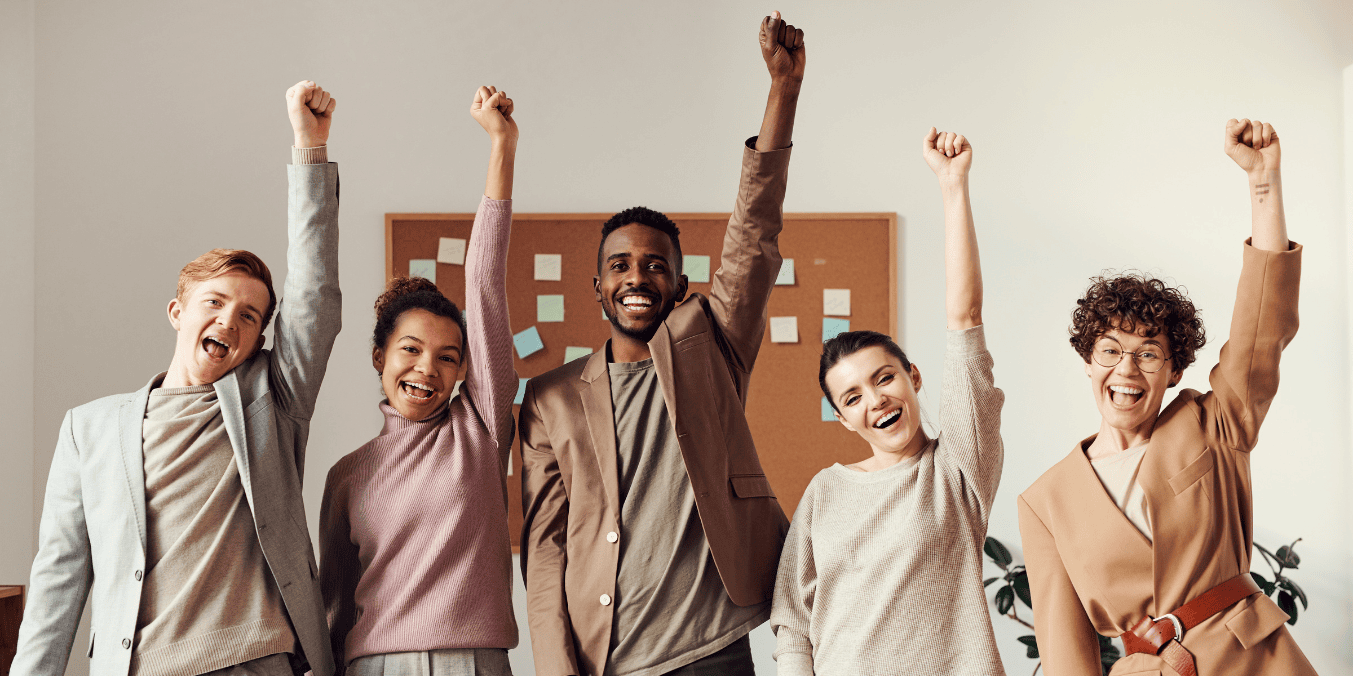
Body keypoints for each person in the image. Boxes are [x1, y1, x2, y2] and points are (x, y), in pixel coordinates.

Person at [13, 81, 342, 676]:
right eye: (214, 303)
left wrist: (309, 149)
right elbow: (59, 577)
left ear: (262, 338)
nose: (229, 321)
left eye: (249, 315)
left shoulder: (272, 399)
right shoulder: (88, 429)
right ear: (176, 312)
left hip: (256, 662)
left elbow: (315, 298)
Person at [517, 12, 805, 676]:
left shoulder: (712, 345)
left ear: (679, 285)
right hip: (605, 658)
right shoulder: (551, 398)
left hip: (712, 651)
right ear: (597, 288)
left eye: (654, 265)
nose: (636, 276)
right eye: (619, 266)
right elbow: (545, 549)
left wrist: (782, 93)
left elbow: (754, 234)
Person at [1017, 119, 1316, 675]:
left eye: (1148, 353)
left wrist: (1263, 183)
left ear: (1174, 369)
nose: (1126, 369)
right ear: (1088, 361)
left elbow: (1262, 331)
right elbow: (1065, 656)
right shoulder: (1045, 502)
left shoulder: (1212, 424)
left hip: (1254, 661)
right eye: (1109, 350)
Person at [770, 129, 1006, 675]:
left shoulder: (955, 471)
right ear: (843, 417)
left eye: (884, 378)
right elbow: (793, 625)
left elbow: (965, 319)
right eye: (852, 396)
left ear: (913, 376)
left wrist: (953, 187)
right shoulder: (825, 492)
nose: (875, 400)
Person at [318, 85, 519, 676]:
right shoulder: (347, 476)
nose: (427, 368)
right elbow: (333, 602)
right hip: (371, 667)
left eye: (448, 357)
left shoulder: (478, 432)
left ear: (464, 372)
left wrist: (501, 144)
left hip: (474, 663)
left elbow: (482, 282)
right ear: (379, 356)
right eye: (410, 349)